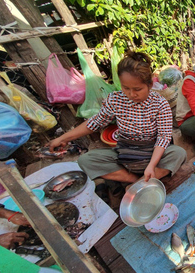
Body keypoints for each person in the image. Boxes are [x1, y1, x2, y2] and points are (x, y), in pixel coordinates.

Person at [49, 52, 187, 186]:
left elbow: (163, 138)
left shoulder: (160, 104)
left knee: (178, 153)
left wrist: (151, 165)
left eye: (137, 89)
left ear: (150, 85)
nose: (131, 94)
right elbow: (93, 123)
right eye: (126, 88)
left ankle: (146, 175)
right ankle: (135, 181)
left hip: (153, 154)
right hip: (125, 155)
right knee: (86, 160)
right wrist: (62, 139)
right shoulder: (115, 99)